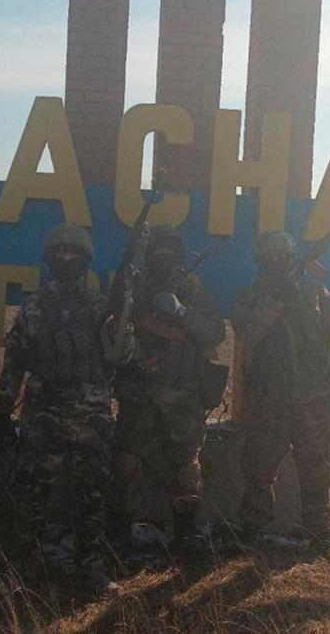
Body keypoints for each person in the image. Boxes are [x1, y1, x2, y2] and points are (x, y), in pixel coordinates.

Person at [230, 229, 330, 565]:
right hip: (269, 398)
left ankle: (320, 536)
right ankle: (252, 531)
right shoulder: (249, 296)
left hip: (314, 397)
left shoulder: (313, 293)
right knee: (259, 467)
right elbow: (248, 332)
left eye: (282, 256)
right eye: (270, 256)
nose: (277, 261)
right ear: (260, 260)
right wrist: (276, 298)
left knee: (318, 469)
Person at [0, 224, 115, 590]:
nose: (66, 258)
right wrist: (2, 410)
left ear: (85, 260)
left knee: (92, 495)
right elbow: (14, 361)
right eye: (59, 252)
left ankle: (90, 568)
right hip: (42, 415)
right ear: (49, 258)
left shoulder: (102, 307)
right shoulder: (33, 307)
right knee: (31, 494)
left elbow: (121, 358)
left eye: (73, 253)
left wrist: (123, 329)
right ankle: (24, 568)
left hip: (91, 417)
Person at [109, 224, 226, 553]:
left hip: (183, 396)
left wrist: (181, 312)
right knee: (125, 464)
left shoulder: (194, 293)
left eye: (171, 252)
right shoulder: (132, 290)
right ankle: (119, 530)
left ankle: (188, 535)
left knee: (187, 468)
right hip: (138, 394)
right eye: (158, 251)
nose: (165, 257)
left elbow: (214, 334)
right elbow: (113, 331)